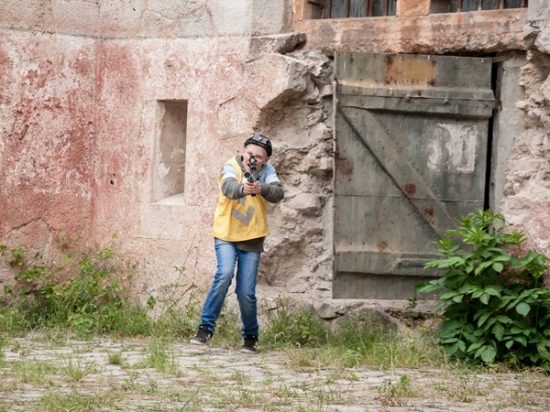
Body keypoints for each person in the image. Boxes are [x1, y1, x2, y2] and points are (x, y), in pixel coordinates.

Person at [190, 134, 284, 353]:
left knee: (245, 292)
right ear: (243, 151)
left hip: (253, 237)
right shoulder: (231, 166)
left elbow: (278, 193)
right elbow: (228, 187)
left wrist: (261, 188)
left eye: (258, 157)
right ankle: (205, 328)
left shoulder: (268, 171)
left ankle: (250, 336)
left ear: (266, 160)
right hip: (226, 234)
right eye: (250, 153)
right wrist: (243, 189)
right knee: (224, 275)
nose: (253, 159)